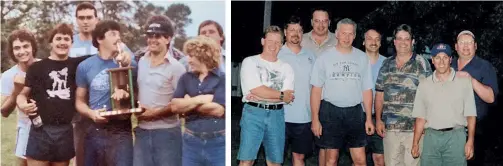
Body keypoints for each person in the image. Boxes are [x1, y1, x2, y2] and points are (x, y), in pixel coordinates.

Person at [16, 23, 93, 166]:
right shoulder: (37, 67)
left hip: (65, 130)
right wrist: (22, 104)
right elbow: (22, 94)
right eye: (58, 38)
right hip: (41, 129)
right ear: (51, 42)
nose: (62, 42)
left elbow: (103, 54)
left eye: (66, 39)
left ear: (71, 43)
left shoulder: (78, 65)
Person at [69, 3, 134, 166]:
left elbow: (136, 90)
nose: (118, 38)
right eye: (112, 34)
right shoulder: (85, 66)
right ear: (99, 39)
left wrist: (127, 62)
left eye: (119, 35)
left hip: (121, 130)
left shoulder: (127, 60)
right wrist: (91, 114)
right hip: (93, 129)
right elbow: (79, 101)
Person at [310, 18, 374, 166]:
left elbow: (366, 89)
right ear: (337, 34)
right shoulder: (324, 58)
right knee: (331, 160)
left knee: (360, 160)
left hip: (355, 113)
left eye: (350, 34)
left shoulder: (362, 57)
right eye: (343, 33)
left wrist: (369, 118)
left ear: (355, 35)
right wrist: (315, 119)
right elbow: (316, 90)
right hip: (331, 112)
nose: (346, 37)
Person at [374, 24, 432, 166]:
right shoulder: (386, 64)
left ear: (412, 41)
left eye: (407, 39)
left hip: (414, 130)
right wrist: (378, 120)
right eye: (399, 39)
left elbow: (430, 96)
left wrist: (425, 124)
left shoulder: (422, 63)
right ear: (394, 41)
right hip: (390, 130)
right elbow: (379, 94)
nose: (403, 42)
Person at [237, 26, 295, 166]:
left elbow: (288, 97)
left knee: (275, 162)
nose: (273, 45)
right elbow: (257, 90)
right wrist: (279, 95)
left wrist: (262, 93)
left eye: (277, 42)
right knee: (247, 160)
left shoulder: (287, 68)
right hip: (253, 114)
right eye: (270, 40)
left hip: (277, 116)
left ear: (281, 45)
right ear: (263, 41)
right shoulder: (250, 62)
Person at [411, 43, 476, 166]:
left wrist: (470, 141)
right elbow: (420, 117)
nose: (441, 62)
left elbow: (471, 115)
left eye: (445, 57)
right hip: (431, 138)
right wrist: (415, 143)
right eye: (437, 58)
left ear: (450, 59)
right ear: (433, 60)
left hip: (456, 137)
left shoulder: (464, 82)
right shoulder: (424, 84)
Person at [133, 15, 186, 166]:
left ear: (168, 39)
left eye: (158, 36)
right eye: (150, 36)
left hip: (167, 133)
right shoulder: (141, 61)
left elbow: (181, 103)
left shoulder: (177, 67)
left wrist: (155, 113)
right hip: (142, 131)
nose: (152, 40)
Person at [169, 36, 225, 166]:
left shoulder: (222, 79)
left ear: (203, 56)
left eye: (191, 56)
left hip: (218, 144)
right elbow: (175, 106)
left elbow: (218, 110)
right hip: (190, 143)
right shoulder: (185, 78)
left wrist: (188, 103)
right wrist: (202, 99)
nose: (188, 60)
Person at [451, 30, 499, 166]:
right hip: (450, 129)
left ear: (476, 46)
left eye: (469, 43)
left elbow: (491, 98)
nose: (466, 46)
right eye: (462, 43)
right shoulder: (448, 65)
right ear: (456, 46)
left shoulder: (485, 66)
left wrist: (470, 80)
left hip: (475, 131)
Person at [275, 16, 316, 166]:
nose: (295, 34)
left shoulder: (311, 56)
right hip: (278, 115)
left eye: (299, 30)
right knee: (276, 158)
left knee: (299, 157)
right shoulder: (276, 53)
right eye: (292, 30)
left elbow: (316, 87)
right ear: (285, 32)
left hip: (304, 116)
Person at [1, 29, 38, 166]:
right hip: (26, 129)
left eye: (25, 46)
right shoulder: (8, 76)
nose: (22, 51)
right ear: (12, 51)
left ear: (33, 46)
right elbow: (4, 112)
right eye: (17, 48)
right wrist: (17, 91)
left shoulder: (46, 66)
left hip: (49, 129)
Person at [362, 29, 386, 166]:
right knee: (359, 159)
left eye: (377, 39)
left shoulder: (388, 63)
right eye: (370, 38)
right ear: (364, 42)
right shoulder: (357, 61)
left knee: (380, 158)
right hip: (358, 114)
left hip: (380, 115)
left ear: (381, 43)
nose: (373, 42)